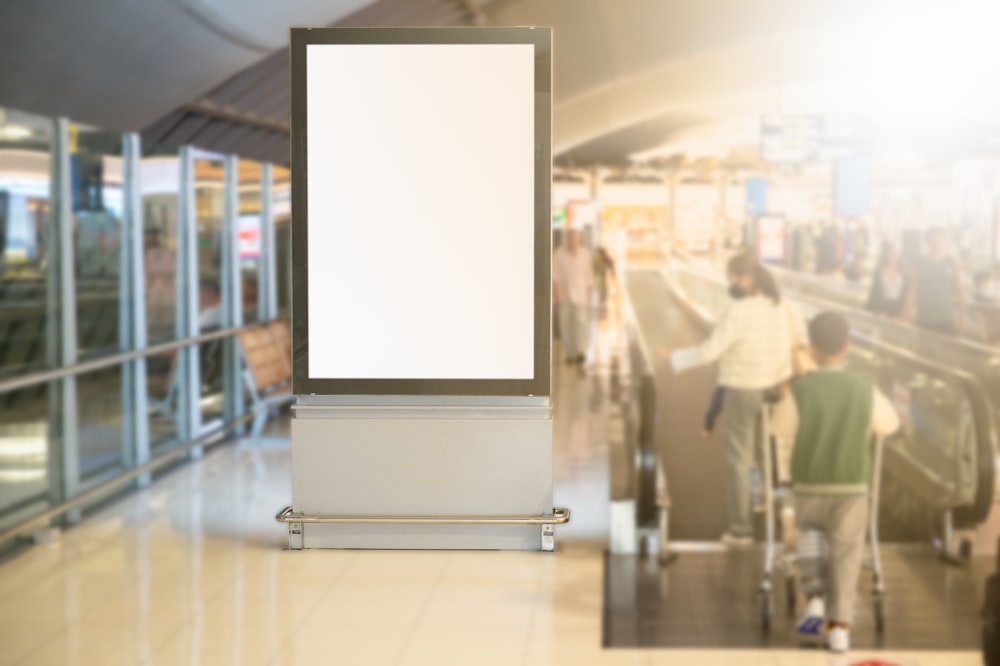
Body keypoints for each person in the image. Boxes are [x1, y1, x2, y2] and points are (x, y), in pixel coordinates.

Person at [770, 311, 899, 653]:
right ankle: (839, 626)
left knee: (810, 532)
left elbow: (779, 429)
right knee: (845, 552)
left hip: (810, 483)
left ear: (810, 349)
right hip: (851, 486)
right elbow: (888, 425)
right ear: (847, 347)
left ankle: (813, 596)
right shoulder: (863, 389)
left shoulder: (801, 390)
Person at [666, 252, 807, 546]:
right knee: (770, 455)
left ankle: (741, 531)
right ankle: (783, 512)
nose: (730, 284)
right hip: (777, 391)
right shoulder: (787, 308)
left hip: (743, 389)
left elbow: (710, 351)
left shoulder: (738, 311)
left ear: (747, 279)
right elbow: (800, 343)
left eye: (732, 279)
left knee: (739, 461)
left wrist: (676, 358)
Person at [909, 227, 964, 334]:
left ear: (944, 241)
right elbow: (912, 290)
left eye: (939, 238)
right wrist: (907, 313)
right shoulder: (918, 263)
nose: (936, 242)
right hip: (924, 318)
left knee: (947, 348)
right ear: (927, 242)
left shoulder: (952, 262)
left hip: (947, 318)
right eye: (932, 239)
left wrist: (961, 318)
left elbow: (960, 291)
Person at [552, 228, 594, 365]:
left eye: (576, 238)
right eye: (571, 238)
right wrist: (556, 291)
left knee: (581, 323)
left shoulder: (585, 254)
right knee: (566, 325)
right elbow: (555, 274)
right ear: (567, 239)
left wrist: (588, 292)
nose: (573, 241)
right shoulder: (559, 254)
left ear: (579, 240)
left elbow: (588, 275)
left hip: (581, 295)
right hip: (564, 294)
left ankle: (581, 351)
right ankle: (570, 353)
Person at [865, 242, 910, 318]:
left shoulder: (904, 273)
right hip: (882, 306)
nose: (894, 255)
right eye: (892, 252)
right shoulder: (879, 271)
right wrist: (878, 310)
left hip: (898, 307)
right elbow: (875, 292)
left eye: (896, 252)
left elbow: (906, 293)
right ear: (886, 254)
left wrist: (905, 312)